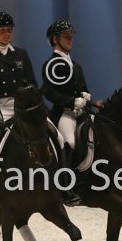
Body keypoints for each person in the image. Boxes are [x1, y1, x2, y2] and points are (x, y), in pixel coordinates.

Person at [0, 11, 37, 212]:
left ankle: (62, 183)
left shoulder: (21, 55)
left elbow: (32, 83)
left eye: (9, 30)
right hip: (0, 109)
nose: (7, 34)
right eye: (2, 30)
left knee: (53, 134)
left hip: (22, 108)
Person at [41, 19, 92, 205]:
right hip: (63, 113)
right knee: (69, 141)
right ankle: (66, 186)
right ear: (55, 39)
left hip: (80, 111)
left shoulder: (76, 66)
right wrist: (72, 102)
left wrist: (85, 96)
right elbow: (49, 93)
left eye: (71, 36)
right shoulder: (50, 64)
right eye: (66, 36)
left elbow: (83, 88)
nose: (70, 39)